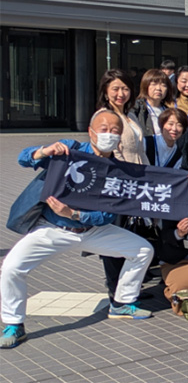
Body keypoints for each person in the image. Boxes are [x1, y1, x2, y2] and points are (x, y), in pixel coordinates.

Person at [2, 110, 155, 348]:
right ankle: (14, 324)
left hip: (91, 231)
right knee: (11, 267)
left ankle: (121, 303)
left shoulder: (118, 171)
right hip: (53, 228)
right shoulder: (69, 150)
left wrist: (74, 214)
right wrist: (44, 151)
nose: (109, 134)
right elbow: (24, 159)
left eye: (115, 131)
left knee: (143, 249)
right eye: (104, 129)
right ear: (91, 132)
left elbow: (107, 215)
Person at [96, 69, 148, 165]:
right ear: (106, 91)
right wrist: (126, 172)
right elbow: (112, 151)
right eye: (115, 89)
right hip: (122, 171)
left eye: (125, 89)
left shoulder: (131, 116)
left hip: (141, 170)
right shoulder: (104, 116)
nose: (121, 94)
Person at [131, 68, 174, 137]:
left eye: (163, 85)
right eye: (154, 84)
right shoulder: (136, 108)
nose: (158, 88)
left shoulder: (168, 111)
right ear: (145, 86)